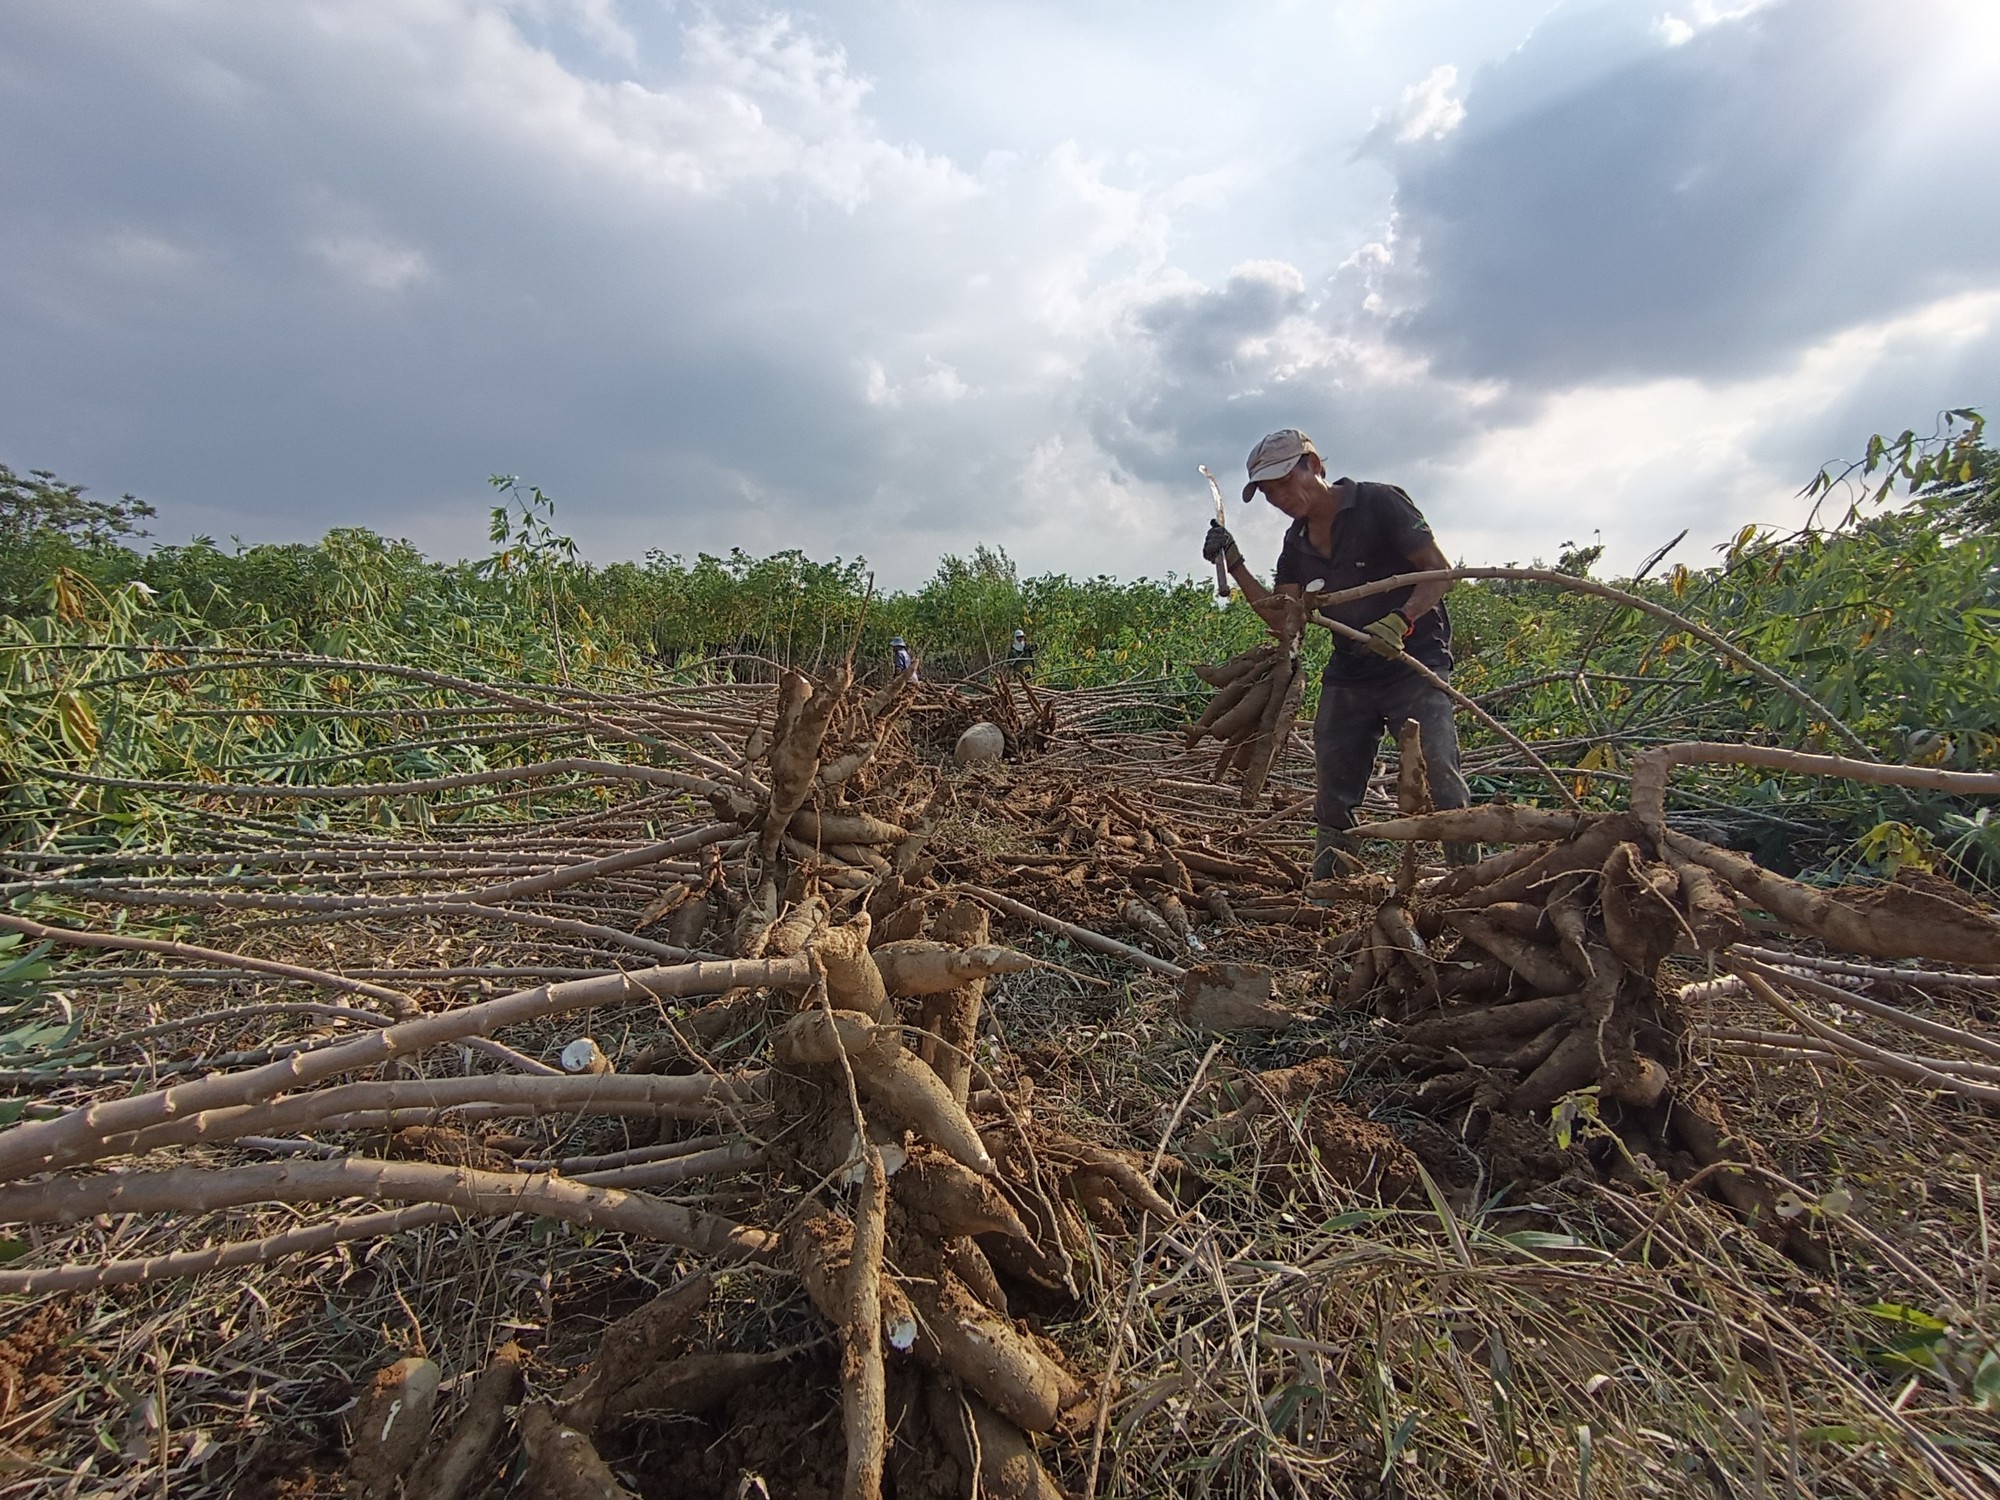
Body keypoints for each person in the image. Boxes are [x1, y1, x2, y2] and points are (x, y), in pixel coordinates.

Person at [1203, 427, 1473, 878]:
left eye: (1286, 482)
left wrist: (1402, 619)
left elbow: (1438, 571)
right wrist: (1235, 564)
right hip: (1351, 670)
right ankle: (1332, 886)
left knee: (1440, 772)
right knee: (1333, 784)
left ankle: (1468, 883)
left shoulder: (1379, 503)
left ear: (1316, 466)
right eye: (1269, 493)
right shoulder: (1296, 543)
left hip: (1414, 662)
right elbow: (1283, 620)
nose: (1281, 498)